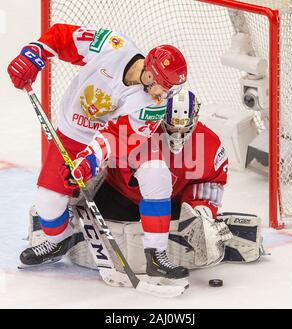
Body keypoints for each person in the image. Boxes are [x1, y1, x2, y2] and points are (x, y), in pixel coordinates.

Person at [7, 24, 187, 278]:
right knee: (48, 201)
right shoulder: (112, 46)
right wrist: (35, 51)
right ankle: (60, 239)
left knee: (157, 175)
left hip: (125, 145)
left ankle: (156, 255)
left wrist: (89, 160)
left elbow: (119, 139)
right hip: (75, 134)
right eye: (163, 86)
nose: (164, 95)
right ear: (149, 72)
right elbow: (61, 36)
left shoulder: (153, 105)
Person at [72, 88, 231, 275]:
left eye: (183, 128)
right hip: (120, 194)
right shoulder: (141, 127)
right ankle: (58, 229)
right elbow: (108, 147)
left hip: (171, 204)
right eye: (171, 127)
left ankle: (159, 254)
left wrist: (201, 212)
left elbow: (212, 182)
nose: (177, 134)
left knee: (185, 227)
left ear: (195, 120)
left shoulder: (210, 143)